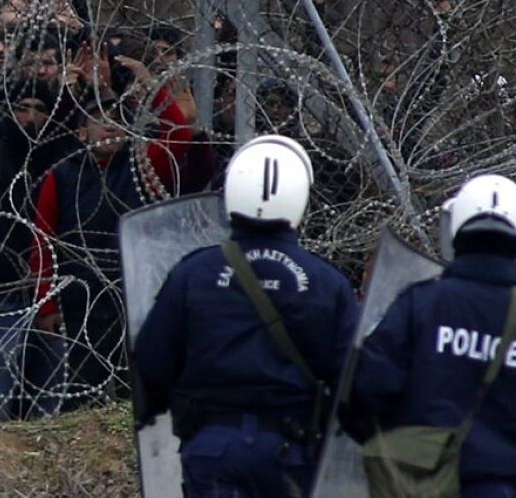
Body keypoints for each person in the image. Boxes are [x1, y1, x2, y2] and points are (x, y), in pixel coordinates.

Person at [133, 134, 359, 498]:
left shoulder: (194, 273)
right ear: (300, 196)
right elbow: (350, 378)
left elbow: (152, 359)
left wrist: (164, 405)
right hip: (292, 452)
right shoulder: (326, 283)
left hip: (212, 448)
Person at [345, 174, 516, 497]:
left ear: (454, 225)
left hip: (416, 482)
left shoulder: (421, 304)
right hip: (503, 484)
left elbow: (365, 390)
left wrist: (391, 447)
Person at [30, 52, 196, 408]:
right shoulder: (61, 176)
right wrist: (48, 301)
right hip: (81, 296)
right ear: (80, 131)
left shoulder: (142, 165)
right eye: (100, 120)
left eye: (119, 120)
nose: (112, 127)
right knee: (84, 385)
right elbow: (43, 239)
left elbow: (180, 136)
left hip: (135, 293)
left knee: (134, 386)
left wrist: (154, 90)